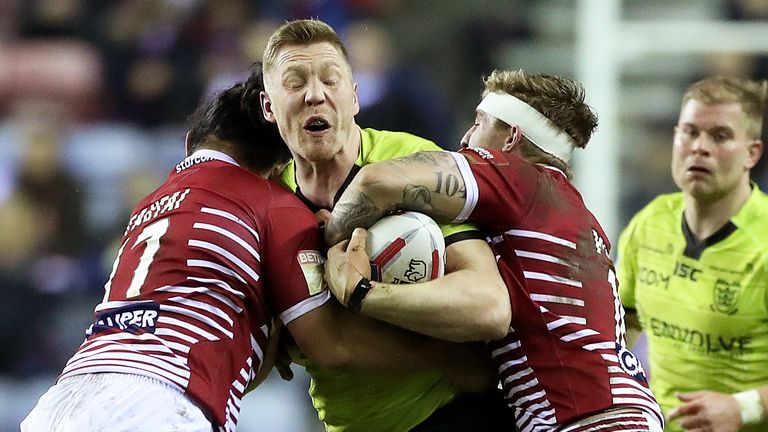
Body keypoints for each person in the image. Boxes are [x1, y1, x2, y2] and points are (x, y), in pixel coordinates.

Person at [20, 80, 492, 432]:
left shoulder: (149, 204)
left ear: (192, 144)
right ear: (276, 164)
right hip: (158, 403)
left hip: (61, 397)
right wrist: (448, 359)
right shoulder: (271, 203)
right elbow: (333, 345)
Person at [324, 69, 665, 431]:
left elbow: (378, 181)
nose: (466, 136)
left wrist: (331, 244)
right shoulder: (578, 217)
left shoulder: (518, 177)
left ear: (510, 138)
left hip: (584, 419)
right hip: (623, 411)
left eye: (479, 121)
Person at [251, 18, 513, 432]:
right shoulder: (264, 205)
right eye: (295, 82)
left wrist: (360, 295)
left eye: (330, 80)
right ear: (269, 107)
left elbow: (489, 307)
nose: (315, 95)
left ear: (354, 97)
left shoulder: (409, 163)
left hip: (451, 414)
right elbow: (258, 364)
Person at [616, 77, 768, 432]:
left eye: (720, 136)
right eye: (690, 132)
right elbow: (624, 323)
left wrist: (742, 408)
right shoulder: (650, 223)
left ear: (752, 153)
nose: (700, 148)